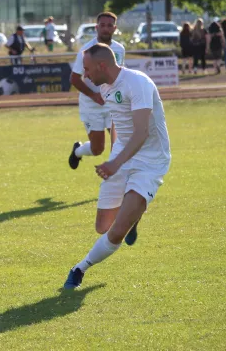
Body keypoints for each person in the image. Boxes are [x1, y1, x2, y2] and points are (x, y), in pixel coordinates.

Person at [63, 43, 171, 289]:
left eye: (87, 69)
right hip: (122, 156)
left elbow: (141, 132)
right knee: (102, 227)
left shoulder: (138, 83)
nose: (85, 75)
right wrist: (115, 157)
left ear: (102, 65)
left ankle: (79, 269)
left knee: (116, 232)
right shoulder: (105, 86)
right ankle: (133, 210)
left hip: (150, 161)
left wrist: (115, 163)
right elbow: (117, 124)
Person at [68, 12, 125, 169]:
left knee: (119, 144)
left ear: (115, 28)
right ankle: (78, 151)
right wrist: (94, 95)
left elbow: (118, 75)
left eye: (109, 26)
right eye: (102, 25)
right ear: (96, 27)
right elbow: (74, 79)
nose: (105, 29)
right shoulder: (86, 51)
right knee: (97, 149)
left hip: (112, 103)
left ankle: (119, 183)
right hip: (91, 106)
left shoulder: (119, 49)